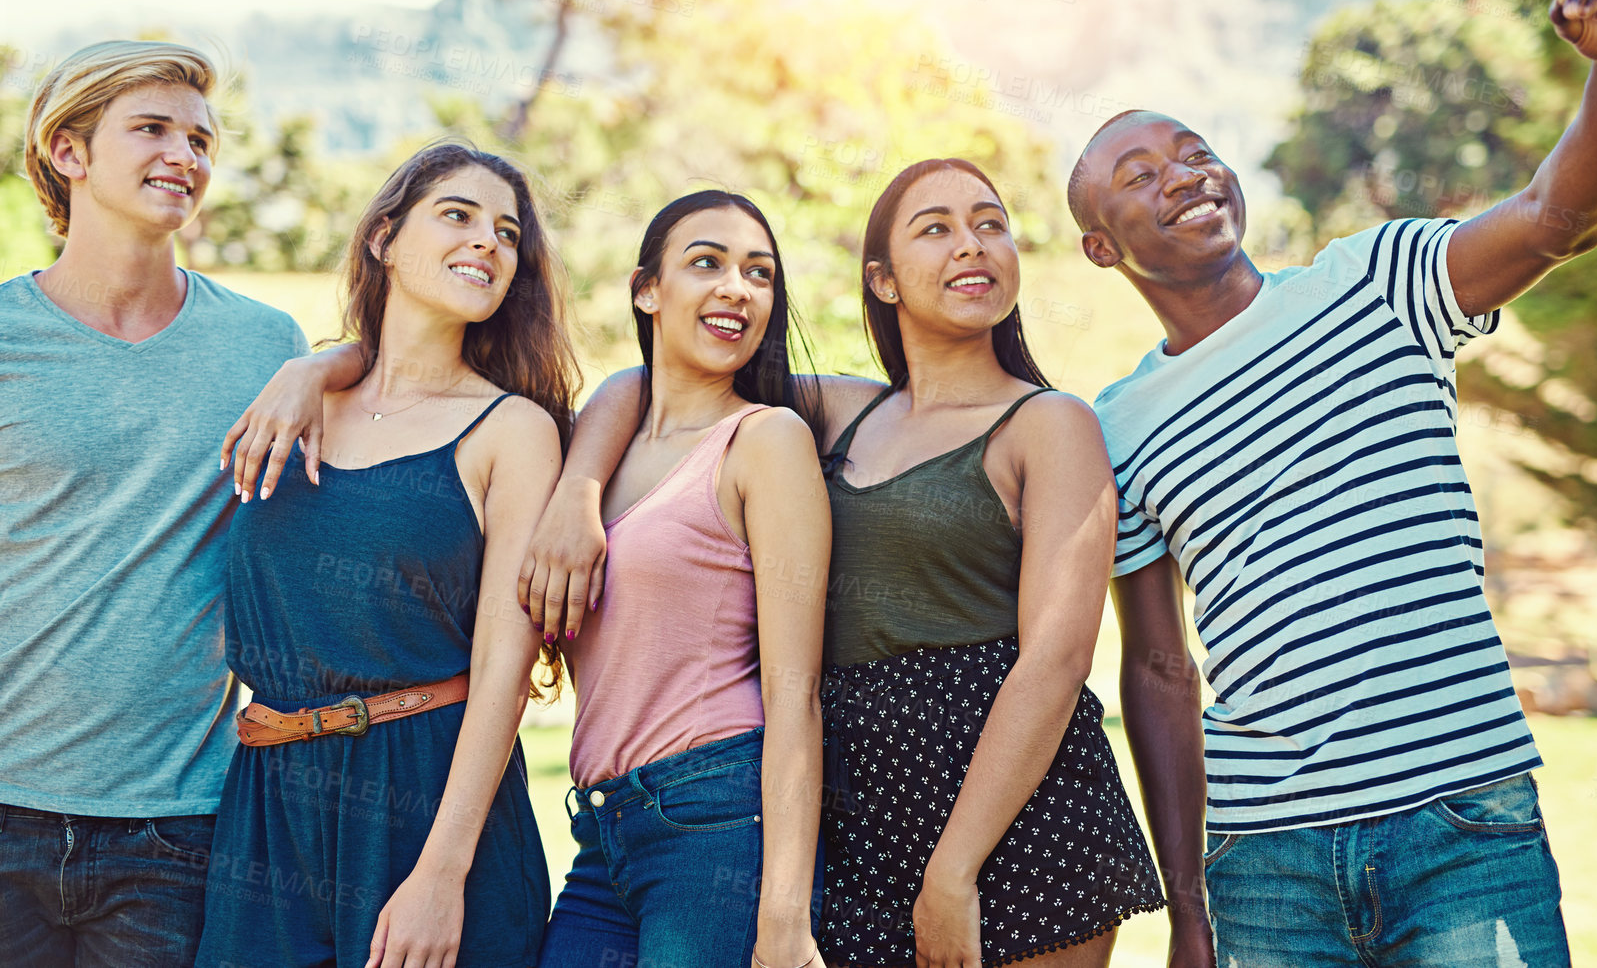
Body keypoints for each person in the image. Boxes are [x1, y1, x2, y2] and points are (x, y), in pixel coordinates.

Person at [1065, 0, 1597, 966]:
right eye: (1141, 173)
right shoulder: (1115, 425)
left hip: (1461, 827)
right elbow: (1158, 667)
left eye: (1196, 151)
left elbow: (1554, 217)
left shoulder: (1376, 283)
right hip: (1266, 864)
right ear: (1100, 245)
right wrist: (1190, 905)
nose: (1185, 173)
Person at [528, 162, 1173, 968]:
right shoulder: (842, 409)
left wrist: (953, 872)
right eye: (934, 228)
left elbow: (1055, 661)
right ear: (883, 279)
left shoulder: (1048, 422)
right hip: (859, 814)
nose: (970, 245)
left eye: (990, 223)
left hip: (1015, 818)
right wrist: (577, 492)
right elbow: (660, 377)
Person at [0, 40, 351, 967]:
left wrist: (325, 359)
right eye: (152, 129)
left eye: (200, 139)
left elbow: (406, 370)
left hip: (176, 822)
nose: (185, 157)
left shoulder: (261, 344)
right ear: (68, 153)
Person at [192, 142, 577, 968]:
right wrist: (316, 364)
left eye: (508, 234)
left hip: (425, 794)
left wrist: (442, 871)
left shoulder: (513, 431)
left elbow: (504, 669)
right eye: (458, 215)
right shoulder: (293, 397)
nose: (488, 242)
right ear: (383, 239)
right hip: (268, 801)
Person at [533, 191, 831, 968]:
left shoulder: (765, 440)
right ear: (646, 289)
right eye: (707, 262)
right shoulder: (602, 439)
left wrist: (784, 919)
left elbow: (794, 690)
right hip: (601, 833)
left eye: (759, 273)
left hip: (715, 820)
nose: (738, 287)